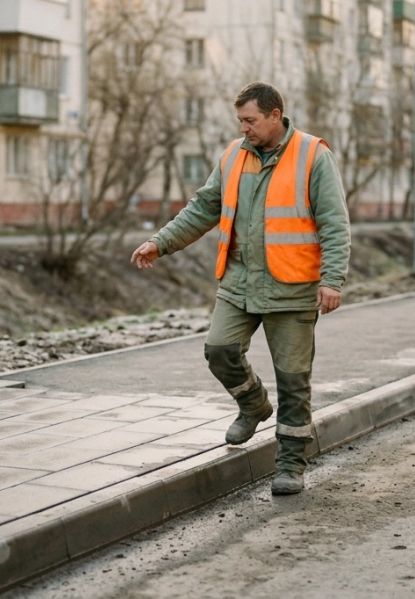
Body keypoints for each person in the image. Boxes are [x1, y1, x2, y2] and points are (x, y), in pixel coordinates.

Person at [131, 82, 350, 495]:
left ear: (274, 115)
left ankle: (289, 464)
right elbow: (203, 208)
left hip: (292, 288)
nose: (244, 128)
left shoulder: (313, 156)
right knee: (219, 350)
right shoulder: (234, 155)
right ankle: (252, 405)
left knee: (293, 381)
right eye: (240, 121)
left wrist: (332, 280)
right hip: (240, 284)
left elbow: (335, 225)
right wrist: (161, 242)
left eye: (250, 120)